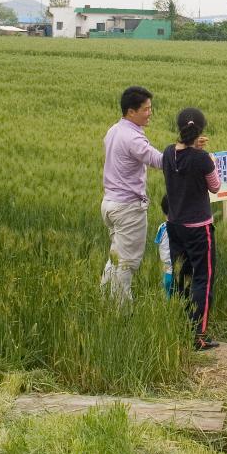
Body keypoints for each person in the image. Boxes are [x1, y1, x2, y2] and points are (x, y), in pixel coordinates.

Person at [161, 107, 222, 350]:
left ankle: (178, 325)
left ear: (179, 127)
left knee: (182, 275)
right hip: (199, 228)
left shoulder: (167, 153)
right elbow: (215, 187)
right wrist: (212, 161)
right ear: (201, 129)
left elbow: (184, 161)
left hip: (174, 225)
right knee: (203, 279)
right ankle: (198, 335)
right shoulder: (202, 158)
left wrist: (195, 147)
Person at [100, 86, 164, 302]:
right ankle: (121, 313)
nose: (150, 113)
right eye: (146, 109)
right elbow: (159, 161)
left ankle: (103, 300)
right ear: (131, 112)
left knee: (115, 258)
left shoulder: (114, 130)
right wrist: (186, 152)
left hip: (110, 204)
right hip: (128, 209)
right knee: (127, 264)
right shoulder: (133, 138)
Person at [155, 196, 173, 298]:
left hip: (165, 268)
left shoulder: (161, 227)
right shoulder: (177, 228)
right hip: (174, 268)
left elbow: (158, 242)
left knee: (167, 295)